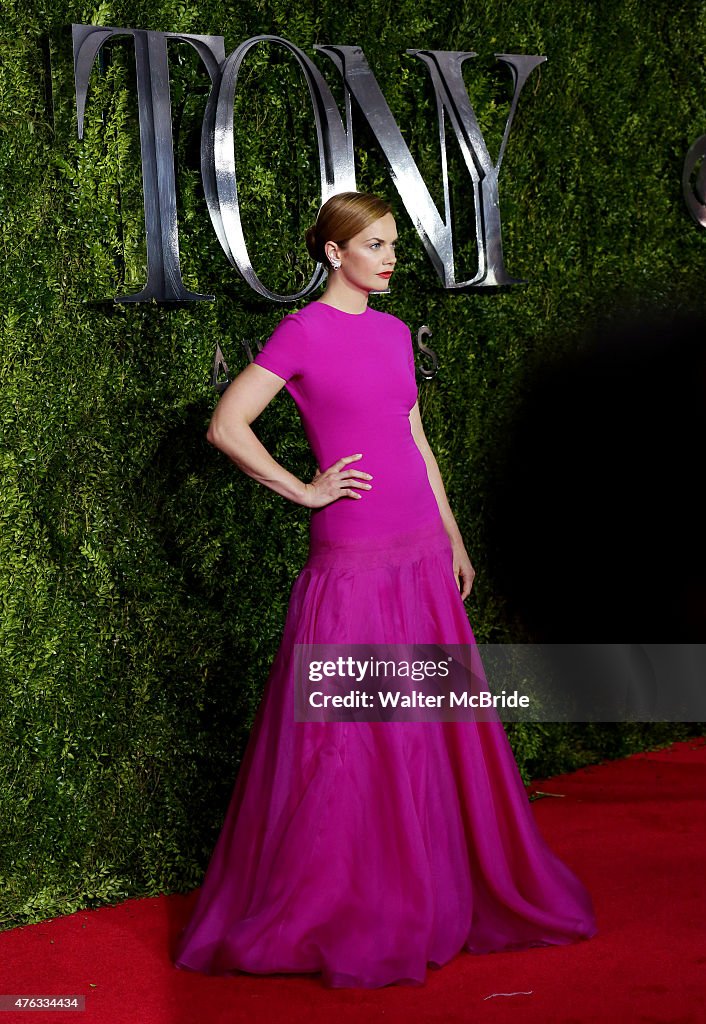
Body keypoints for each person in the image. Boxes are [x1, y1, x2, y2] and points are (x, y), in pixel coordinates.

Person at [172, 191, 597, 989]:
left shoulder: (397, 332)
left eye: (393, 243)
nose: (390, 257)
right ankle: (354, 903)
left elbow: (415, 440)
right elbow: (228, 425)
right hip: (355, 553)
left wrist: (454, 538)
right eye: (374, 245)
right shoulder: (302, 330)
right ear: (335, 254)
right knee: (348, 737)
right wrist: (304, 490)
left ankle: (435, 891)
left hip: (419, 551)